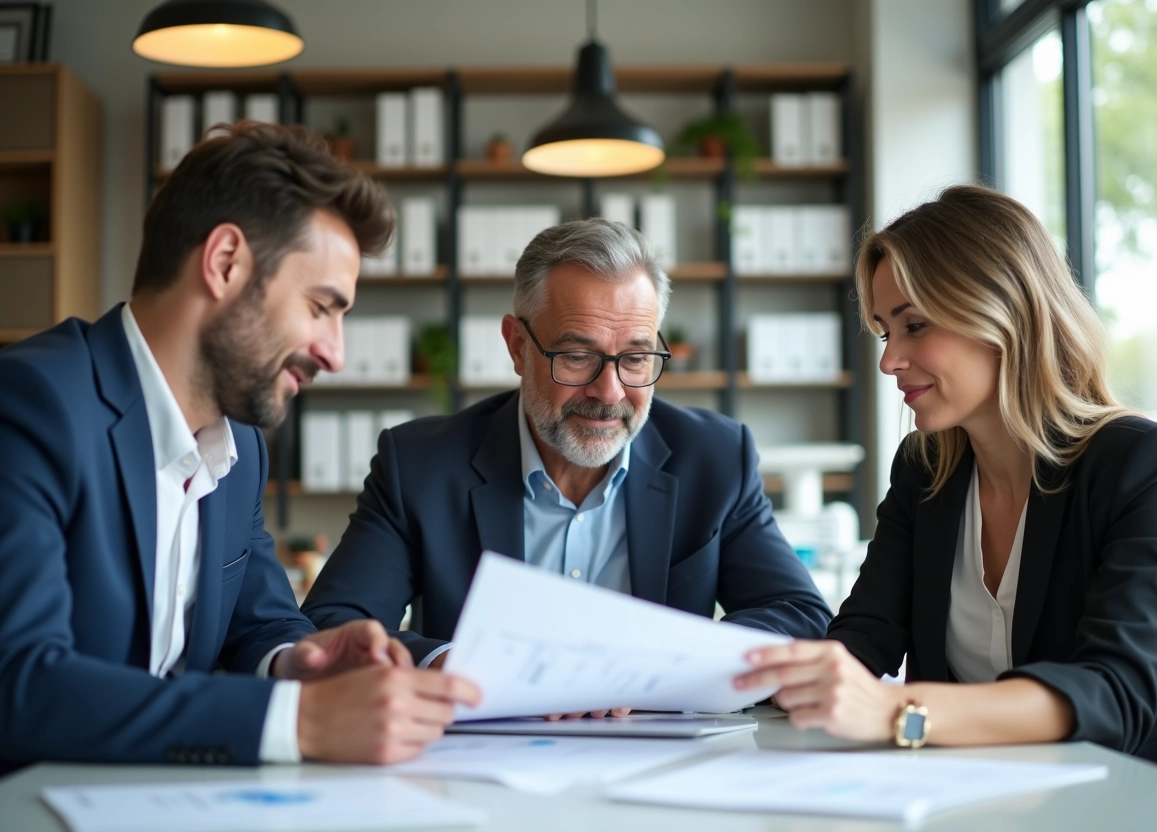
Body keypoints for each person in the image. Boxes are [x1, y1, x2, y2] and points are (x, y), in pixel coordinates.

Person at [0, 121, 478, 772]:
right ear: (225, 263)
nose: (334, 354)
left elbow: (261, 623)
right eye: (320, 307)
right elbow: (20, 684)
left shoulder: (240, 447)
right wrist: (298, 721)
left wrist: (303, 664)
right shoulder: (32, 404)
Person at [735, 185, 1157, 778]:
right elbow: (864, 637)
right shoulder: (924, 469)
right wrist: (697, 675)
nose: (889, 361)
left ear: (1002, 314)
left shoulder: (1145, 464)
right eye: (887, 331)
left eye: (914, 325)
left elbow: (1112, 694)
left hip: (1139, 799)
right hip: (967, 797)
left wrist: (896, 712)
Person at [303, 218, 832, 716]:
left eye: (635, 357)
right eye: (577, 356)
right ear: (516, 346)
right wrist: (448, 665)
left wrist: (663, 660)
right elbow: (332, 624)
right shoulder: (420, 465)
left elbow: (800, 615)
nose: (610, 392)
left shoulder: (714, 457)